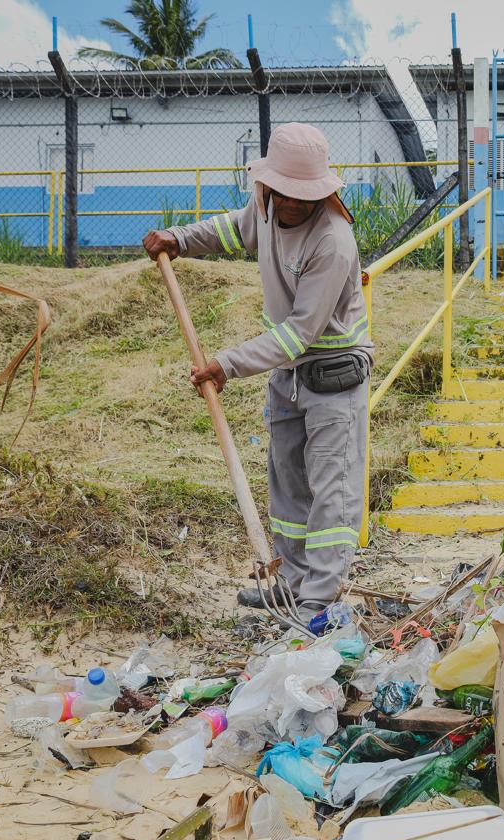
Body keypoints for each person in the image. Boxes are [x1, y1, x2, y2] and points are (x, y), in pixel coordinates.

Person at [143, 123, 371, 621]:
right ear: (267, 186)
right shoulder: (264, 210)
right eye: (282, 193)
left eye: (301, 196)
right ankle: (289, 582)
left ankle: (319, 600)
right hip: (287, 376)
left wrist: (227, 364)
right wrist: (178, 239)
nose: (290, 204)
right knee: (286, 480)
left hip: (332, 372)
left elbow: (298, 334)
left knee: (330, 487)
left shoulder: (332, 242)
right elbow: (229, 230)